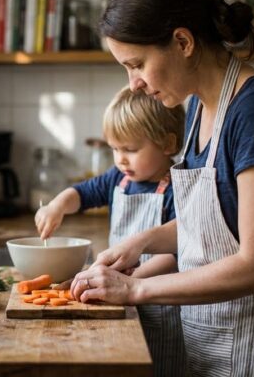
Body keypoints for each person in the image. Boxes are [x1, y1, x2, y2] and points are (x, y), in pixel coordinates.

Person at [68, 0, 254, 375]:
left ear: (182, 41)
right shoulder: (196, 110)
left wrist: (136, 288)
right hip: (212, 343)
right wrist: (143, 242)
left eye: (136, 64)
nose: (133, 83)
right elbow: (213, 228)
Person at [35, 86, 185, 376]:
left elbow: (175, 255)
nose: (120, 159)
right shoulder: (118, 178)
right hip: (117, 298)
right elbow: (81, 193)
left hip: (160, 302)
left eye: (130, 149)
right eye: (114, 149)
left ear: (167, 144)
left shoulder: (177, 187)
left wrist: (128, 283)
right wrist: (56, 206)